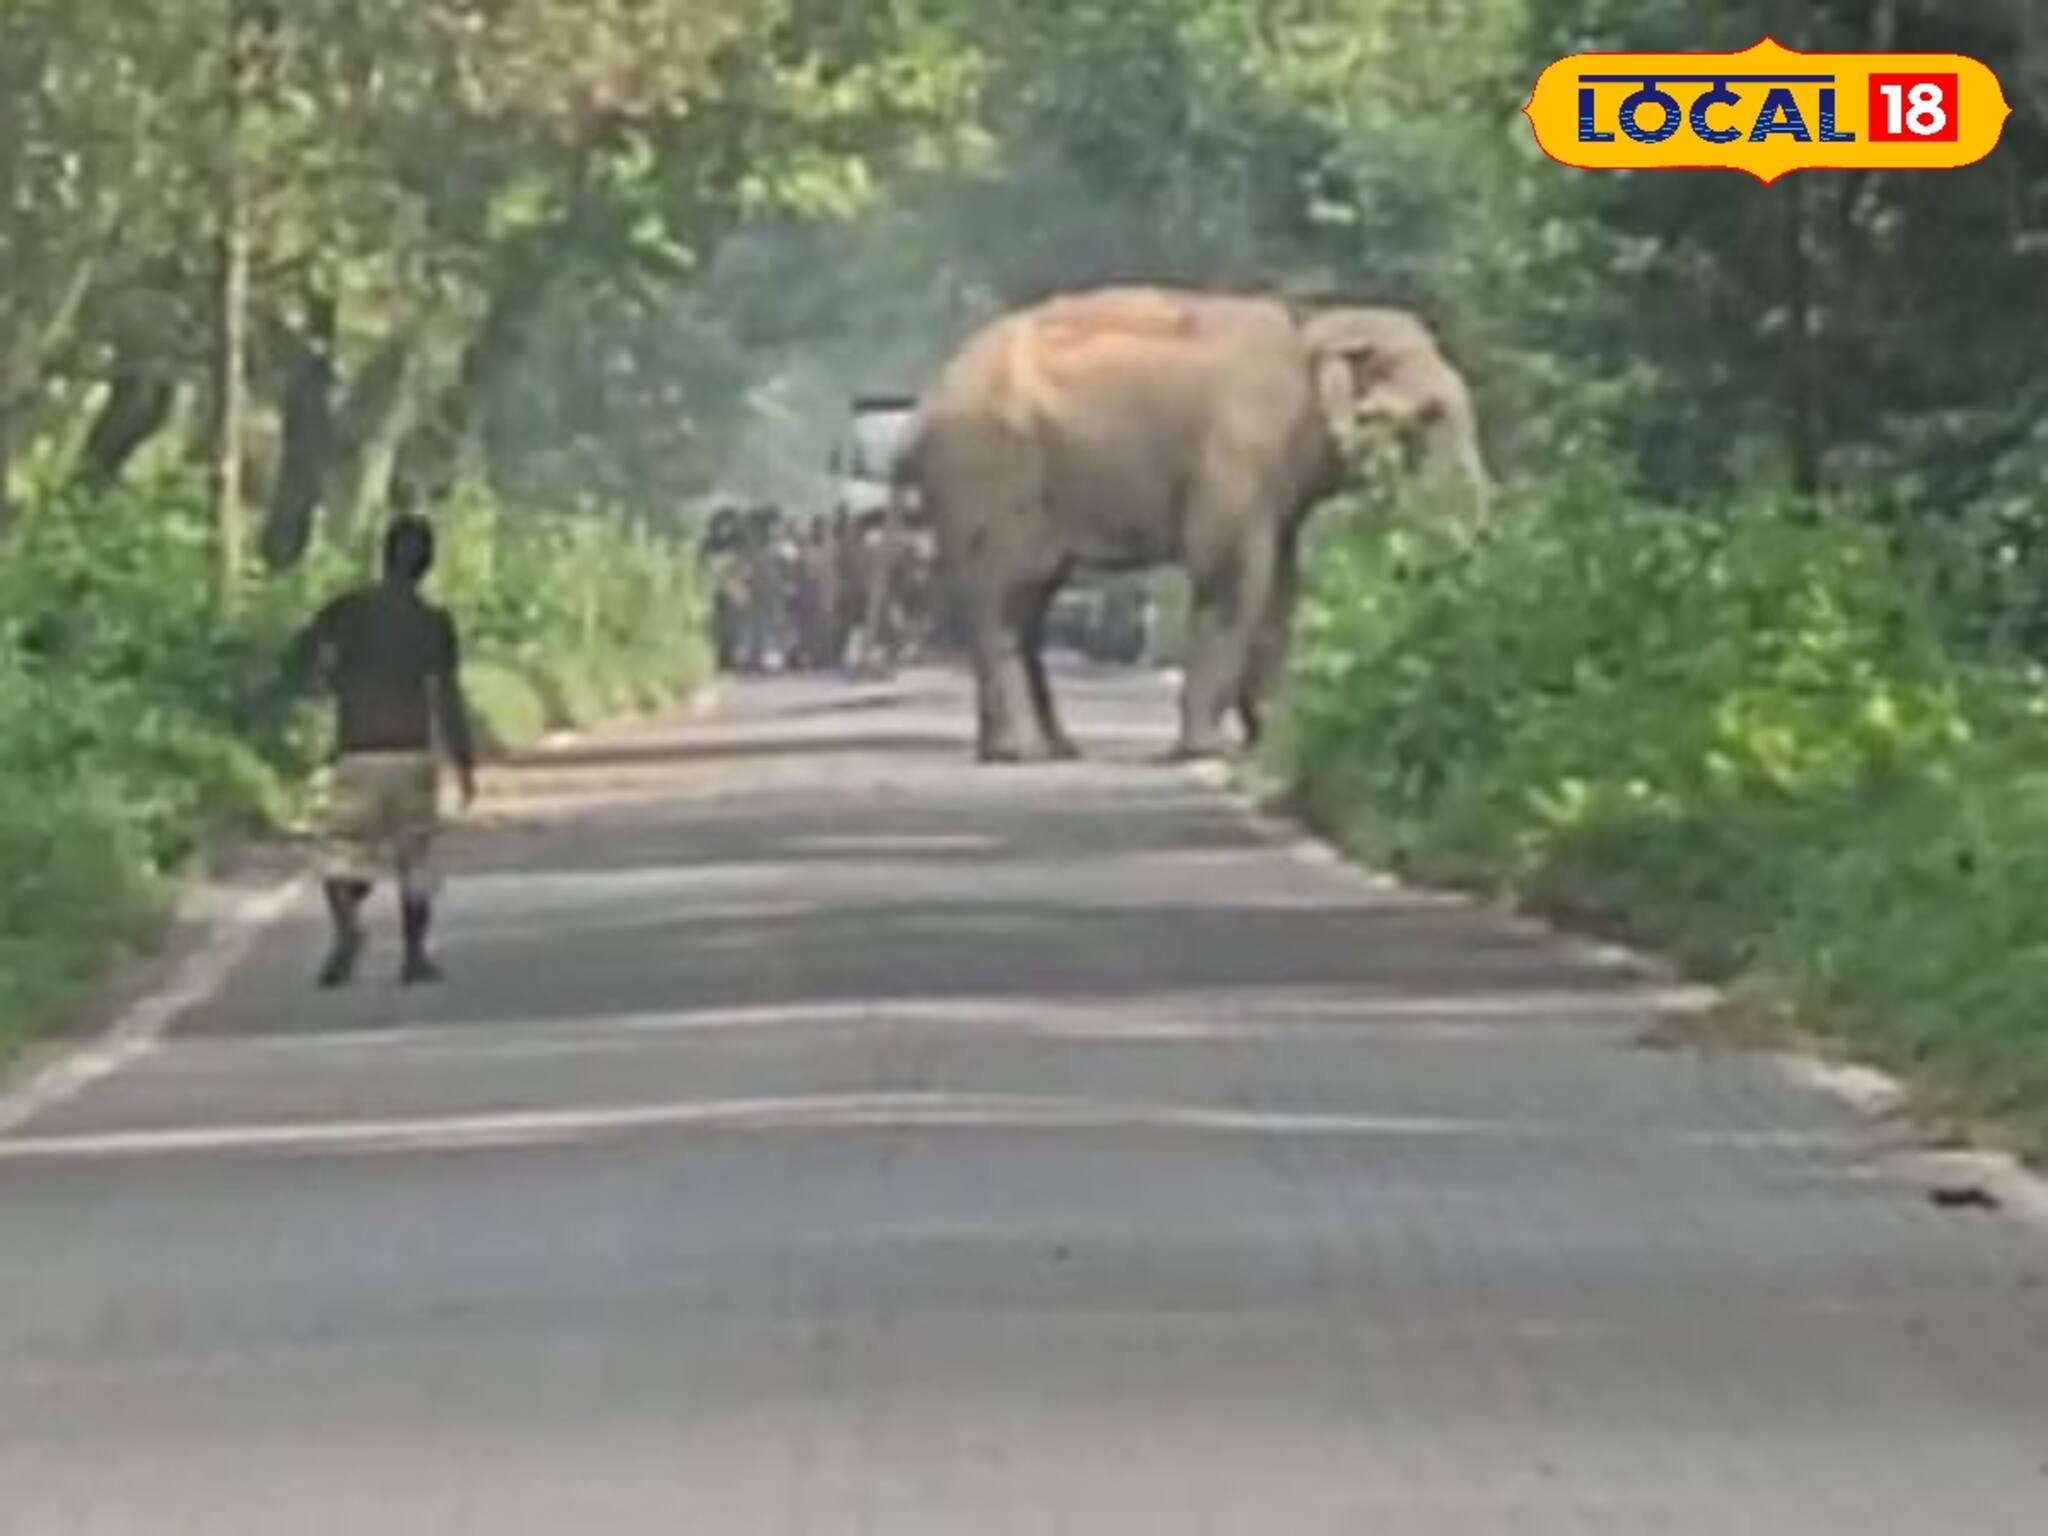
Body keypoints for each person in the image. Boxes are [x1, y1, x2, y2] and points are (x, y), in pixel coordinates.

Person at [280, 514, 477, 988]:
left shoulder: (347, 611)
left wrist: (325, 683)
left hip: (357, 748)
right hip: (412, 753)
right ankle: (414, 957)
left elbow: (299, 657)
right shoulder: (433, 623)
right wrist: (463, 762)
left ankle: (348, 927)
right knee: (415, 859)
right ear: (427, 564)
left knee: (344, 853)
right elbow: (446, 695)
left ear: (383, 555)